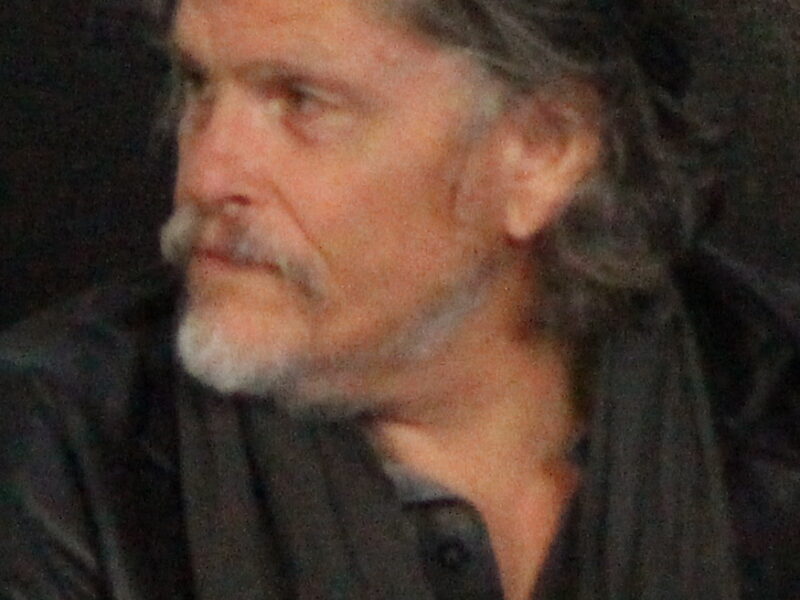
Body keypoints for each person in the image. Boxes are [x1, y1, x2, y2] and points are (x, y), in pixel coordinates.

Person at [1, 0, 798, 599]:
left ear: (543, 152)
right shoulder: (51, 449)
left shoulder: (772, 400)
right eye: (198, 86)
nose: (206, 175)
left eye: (301, 101)